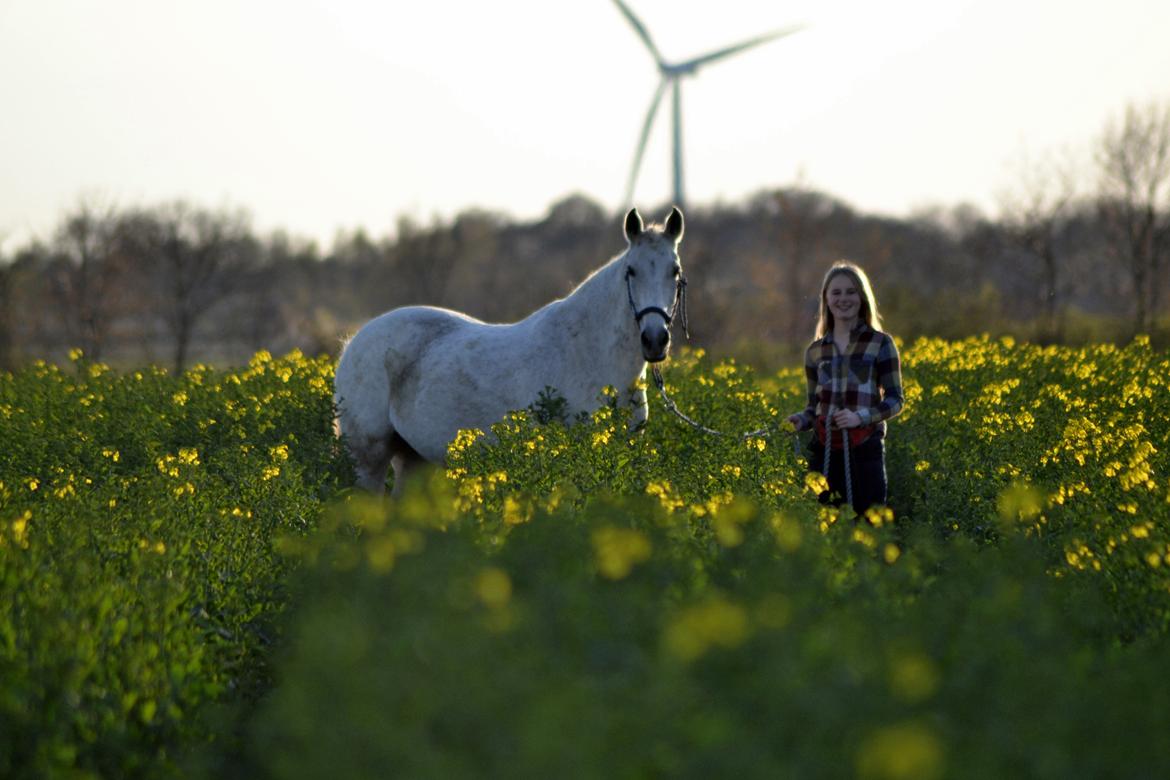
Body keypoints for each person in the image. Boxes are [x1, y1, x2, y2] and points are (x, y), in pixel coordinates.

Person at [787, 261, 904, 515]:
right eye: (836, 293)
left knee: (868, 528)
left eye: (851, 292)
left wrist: (859, 418)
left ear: (862, 297)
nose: (843, 299)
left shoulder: (880, 343)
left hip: (865, 452)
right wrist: (801, 420)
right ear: (826, 299)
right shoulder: (815, 351)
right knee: (822, 532)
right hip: (824, 452)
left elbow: (896, 400)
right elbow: (813, 407)